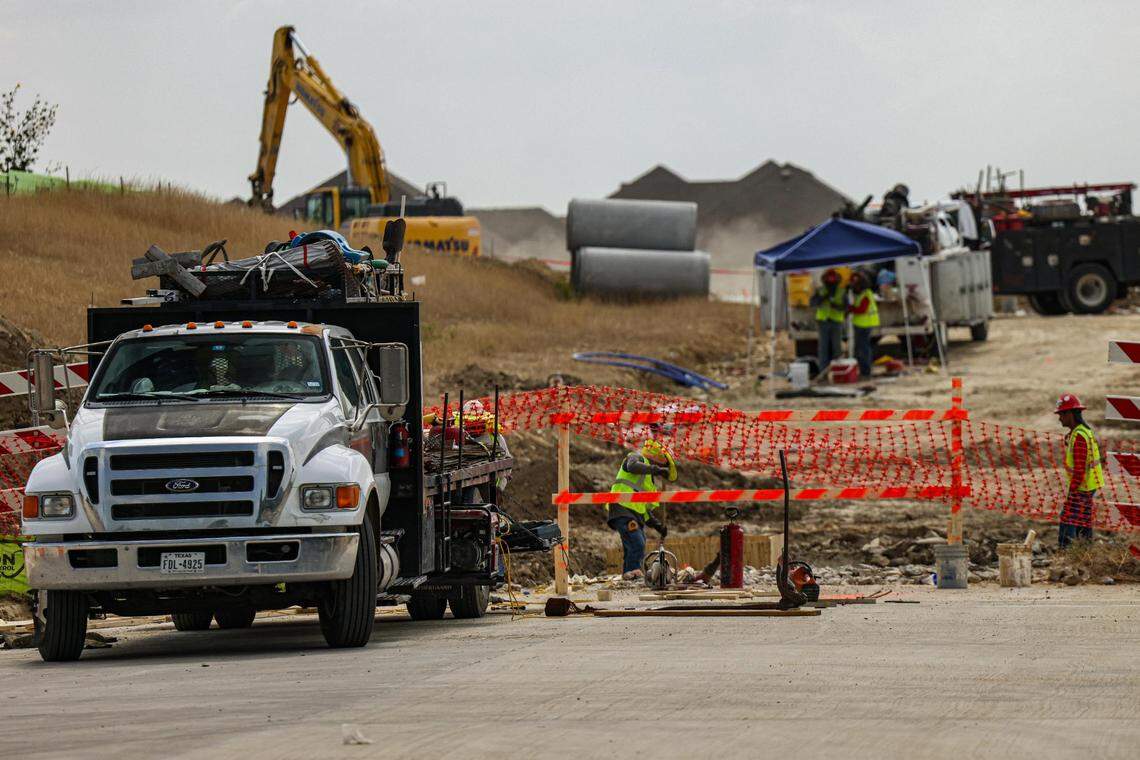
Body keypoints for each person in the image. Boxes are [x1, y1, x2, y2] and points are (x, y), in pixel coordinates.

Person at [608, 439, 677, 580]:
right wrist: (656, 470)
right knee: (637, 542)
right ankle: (633, 571)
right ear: (656, 456)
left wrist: (657, 525)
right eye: (662, 463)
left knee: (633, 544)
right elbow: (632, 466)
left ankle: (628, 574)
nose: (661, 465)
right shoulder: (636, 457)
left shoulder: (647, 479)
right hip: (622, 507)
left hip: (633, 512)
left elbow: (643, 509)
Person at [1055, 394, 1104, 548]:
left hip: (1082, 485)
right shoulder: (1082, 431)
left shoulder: (1080, 437)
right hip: (1089, 484)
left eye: (1062, 414)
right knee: (1083, 518)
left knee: (1068, 517)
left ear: (1070, 414)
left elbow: (1080, 468)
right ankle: (1085, 551)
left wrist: (1073, 491)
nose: (1059, 418)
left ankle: (1066, 551)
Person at [808, 268, 846, 373]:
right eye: (829, 276)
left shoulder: (841, 291)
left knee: (837, 348)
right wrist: (822, 298)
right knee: (823, 348)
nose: (831, 279)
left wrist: (837, 306)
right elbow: (812, 303)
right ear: (825, 278)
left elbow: (846, 307)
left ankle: (838, 371)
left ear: (837, 278)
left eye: (833, 276)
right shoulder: (820, 290)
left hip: (836, 322)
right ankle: (823, 372)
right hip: (823, 322)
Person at [847, 269, 879, 379]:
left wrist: (850, 309)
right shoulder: (860, 294)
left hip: (865, 324)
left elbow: (862, 309)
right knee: (860, 349)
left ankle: (866, 371)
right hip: (860, 324)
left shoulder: (866, 294)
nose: (853, 286)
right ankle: (863, 370)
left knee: (863, 349)